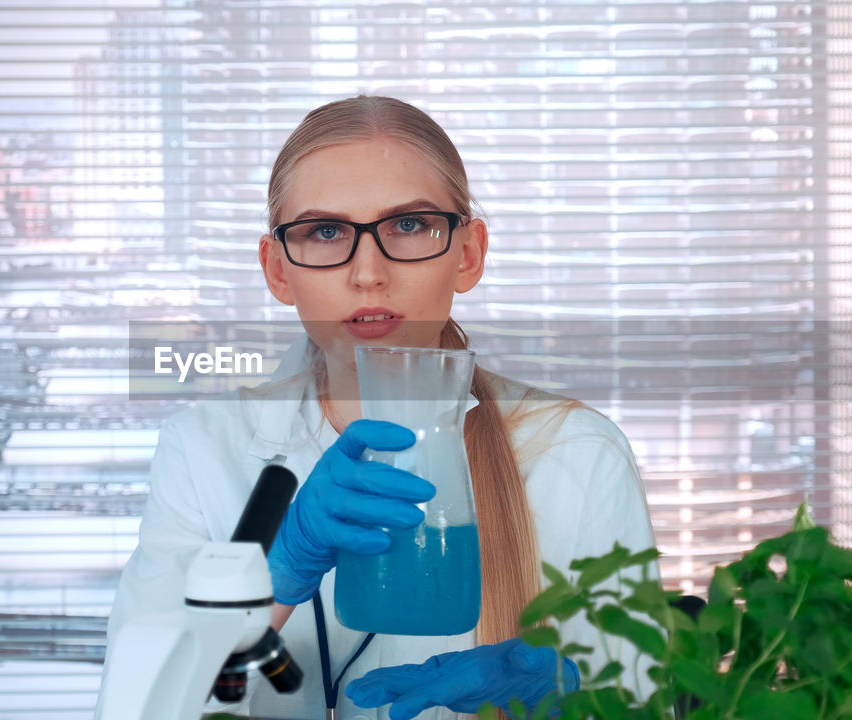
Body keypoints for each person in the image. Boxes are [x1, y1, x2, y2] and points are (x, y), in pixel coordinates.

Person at [103, 96, 658, 720]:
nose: (369, 273)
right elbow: (135, 709)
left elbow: (642, 701)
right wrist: (274, 578)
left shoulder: (576, 452)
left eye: (409, 225)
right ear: (277, 270)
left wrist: (575, 701)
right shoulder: (203, 450)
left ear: (468, 253)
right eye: (326, 232)